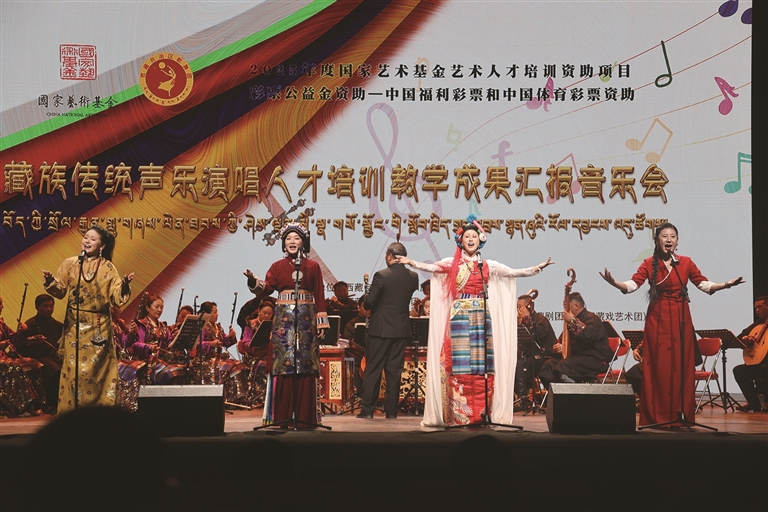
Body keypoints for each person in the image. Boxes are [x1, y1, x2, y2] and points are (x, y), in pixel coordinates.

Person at [396, 215, 554, 427]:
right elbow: (432, 268)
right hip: (459, 318)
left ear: (480, 240)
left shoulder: (486, 265)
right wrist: (411, 262)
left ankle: (480, 413)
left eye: (474, 236)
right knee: (458, 367)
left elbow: (511, 273)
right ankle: (458, 416)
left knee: (482, 368)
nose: (470, 239)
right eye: (467, 236)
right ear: (461, 241)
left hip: (481, 318)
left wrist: (537, 268)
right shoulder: (452, 263)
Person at [600, 222, 744, 427]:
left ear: (677, 241)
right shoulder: (648, 263)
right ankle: (657, 417)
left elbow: (704, 284)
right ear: (656, 241)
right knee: (658, 367)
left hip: (681, 317)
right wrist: (615, 283)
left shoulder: (685, 262)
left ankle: (680, 415)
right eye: (664, 236)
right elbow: (632, 285)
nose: (669, 240)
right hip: (657, 319)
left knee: (680, 367)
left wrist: (726, 285)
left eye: (672, 236)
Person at [244, 222, 329, 429]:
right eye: (288, 238)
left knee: (305, 365)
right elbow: (267, 288)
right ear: (283, 243)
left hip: (306, 321)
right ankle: (282, 417)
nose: (292, 242)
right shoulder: (277, 267)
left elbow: (319, 293)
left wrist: (321, 322)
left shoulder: (313, 266)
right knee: (284, 364)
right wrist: (253, 281)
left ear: (303, 243)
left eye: (296, 238)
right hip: (284, 322)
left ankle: (304, 418)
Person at [42, 226, 133, 412]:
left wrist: (124, 286)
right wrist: (51, 281)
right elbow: (60, 291)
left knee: (96, 373)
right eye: (85, 237)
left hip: (98, 327)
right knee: (73, 371)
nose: (87, 241)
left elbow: (116, 297)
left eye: (93, 239)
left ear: (102, 245)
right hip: (74, 326)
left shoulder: (108, 268)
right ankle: (71, 415)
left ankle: (98, 414)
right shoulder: (71, 263)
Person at [356, 242, 419, 420]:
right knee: (394, 371)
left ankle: (368, 410)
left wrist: (367, 296)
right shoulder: (413, 276)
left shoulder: (382, 275)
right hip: (401, 330)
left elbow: (369, 303)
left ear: (390, 256)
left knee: (373, 369)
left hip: (380, 330)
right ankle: (391, 411)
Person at [537, 292, 614, 390]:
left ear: (576, 306)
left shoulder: (591, 318)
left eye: (567, 308)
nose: (565, 311)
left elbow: (588, 336)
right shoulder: (570, 322)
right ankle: (558, 397)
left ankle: (574, 395)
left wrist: (573, 321)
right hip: (576, 359)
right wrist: (559, 348)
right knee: (548, 366)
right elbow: (563, 342)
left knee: (564, 366)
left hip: (594, 359)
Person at [195, 301, 249, 405]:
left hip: (218, 359)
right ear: (207, 314)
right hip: (206, 359)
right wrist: (210, 344)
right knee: (231, 366)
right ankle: (234, 397)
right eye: (215, 312)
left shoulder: (218, 327)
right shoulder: (201, 327)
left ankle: (239, 395)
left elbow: (224, 342)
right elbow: (196, 344)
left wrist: (231, 336)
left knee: (238, 365)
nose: (217, 314)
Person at [16, 294, 63, 413]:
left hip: (54, 358)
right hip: (37, 358)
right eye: (45, 306)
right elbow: (20, 346)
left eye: (51, 306)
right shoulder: (29, 324)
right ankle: (50, 404)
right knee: (53, 368)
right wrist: (32, 340)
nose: (49, 309)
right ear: (37, 307)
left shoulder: (58, 326)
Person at [0, 297, 46, 416]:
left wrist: (23, 331)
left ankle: (38, 403)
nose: (2, 307)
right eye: (0, 304)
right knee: (16, 368)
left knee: (33, 364)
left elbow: (14, 339)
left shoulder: (1, 324)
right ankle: (22, 406)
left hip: (4, 358)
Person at [513, 291, 558, 411]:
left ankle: (523, 400)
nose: (518, 310)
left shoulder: (541, 320)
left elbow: (538, 336)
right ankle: (518, 397)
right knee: (514, 364)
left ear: (529, 306)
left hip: (544, 356)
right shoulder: (520, 321)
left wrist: (527, 318)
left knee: (522, 364)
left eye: (520, 307)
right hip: (530, 356)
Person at [733, 296, 768, 413]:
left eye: (760, 307)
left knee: (765, 369)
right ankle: (753, 403)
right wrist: (746, 339)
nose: (757, 310)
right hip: (758, 362)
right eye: (756, 308)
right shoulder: (758, 324)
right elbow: (739, 338)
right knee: (738, 370)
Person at [237, 301, 274, 406]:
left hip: (267, 355)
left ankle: (273, 396)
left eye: (269, 314)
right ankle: (259, 396)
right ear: (258, 311)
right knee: (264, 365)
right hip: (253, 357)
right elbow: (245, 343)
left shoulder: (272, 325)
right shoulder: (250, 325)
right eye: (264, 313)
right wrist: (255, 346)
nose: (267, 316)